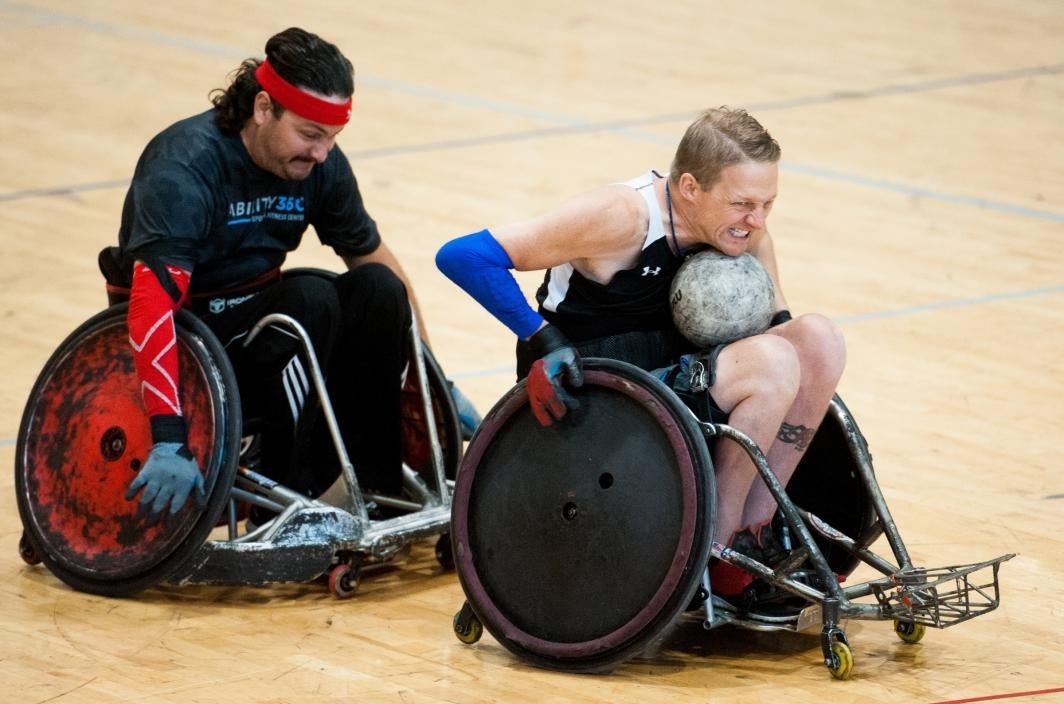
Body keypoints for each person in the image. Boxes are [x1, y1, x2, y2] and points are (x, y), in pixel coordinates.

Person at [435, 107, 846, 602]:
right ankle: (717, 543)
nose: (756, 221)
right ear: (691, 188)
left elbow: (781, 324)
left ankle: (758, 531)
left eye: (767, 205)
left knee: (819, 340)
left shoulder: (746, 231)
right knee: (773, 364)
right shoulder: (621, 216)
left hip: (674, 374)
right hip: (593, 385)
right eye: (742, 204)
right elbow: (463, 256)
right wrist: (541, 336)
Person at [109, 27, 478, 525]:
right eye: (310, 134)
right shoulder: (185, 165)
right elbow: (151, 310)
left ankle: (375, 488)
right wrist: (170, 438)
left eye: (332, 138)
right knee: (309, 301)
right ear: (264, 108)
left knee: (378, 292)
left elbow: (378, 262)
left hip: (267, 330)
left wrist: (435, 379)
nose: (322, 153)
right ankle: (287, 496)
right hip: (194, 348)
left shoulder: (318, 165)